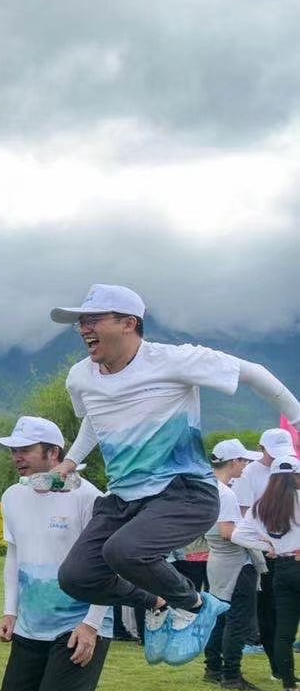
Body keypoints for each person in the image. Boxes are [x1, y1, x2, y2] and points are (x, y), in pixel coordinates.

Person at [48, 285, 300, 668]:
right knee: (75, 577)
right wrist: (70, 461)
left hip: (183, 492)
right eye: (81, 322)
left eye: (94, 320)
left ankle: (195, 606)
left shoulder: (175, 360)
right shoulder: (80, 377)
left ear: (129, 323)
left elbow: (254, 373)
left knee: (123, 551)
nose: (84, 329)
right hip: (123, 498)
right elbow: (94, 422)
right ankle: (161, 602)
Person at [0, 416, 123, 691]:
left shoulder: (89, 498)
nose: (17, 458)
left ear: (54, 453)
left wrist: (92, 623)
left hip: (79, 622)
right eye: (13, 451)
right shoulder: (13, 496)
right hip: (31, 623)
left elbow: (108, 562)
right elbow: (15, 554)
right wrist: (11, 609)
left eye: (25, 450)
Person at [231, 456, 300, 691]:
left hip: (281, 566)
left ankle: (290, 687)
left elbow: (238, 535)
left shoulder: (262, 506)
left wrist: (266, 544)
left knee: (284, 630)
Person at [203, 439, 262, 691]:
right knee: (237, 619)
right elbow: (228, 532)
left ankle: (213, 667)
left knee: (219, 618)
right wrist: (262, 539)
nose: (246, 466)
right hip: (234, 564)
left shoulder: (208, 488)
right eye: (244, 461)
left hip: (216, 561)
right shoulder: (226, 493)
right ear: (234, 461)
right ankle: (232, 674)